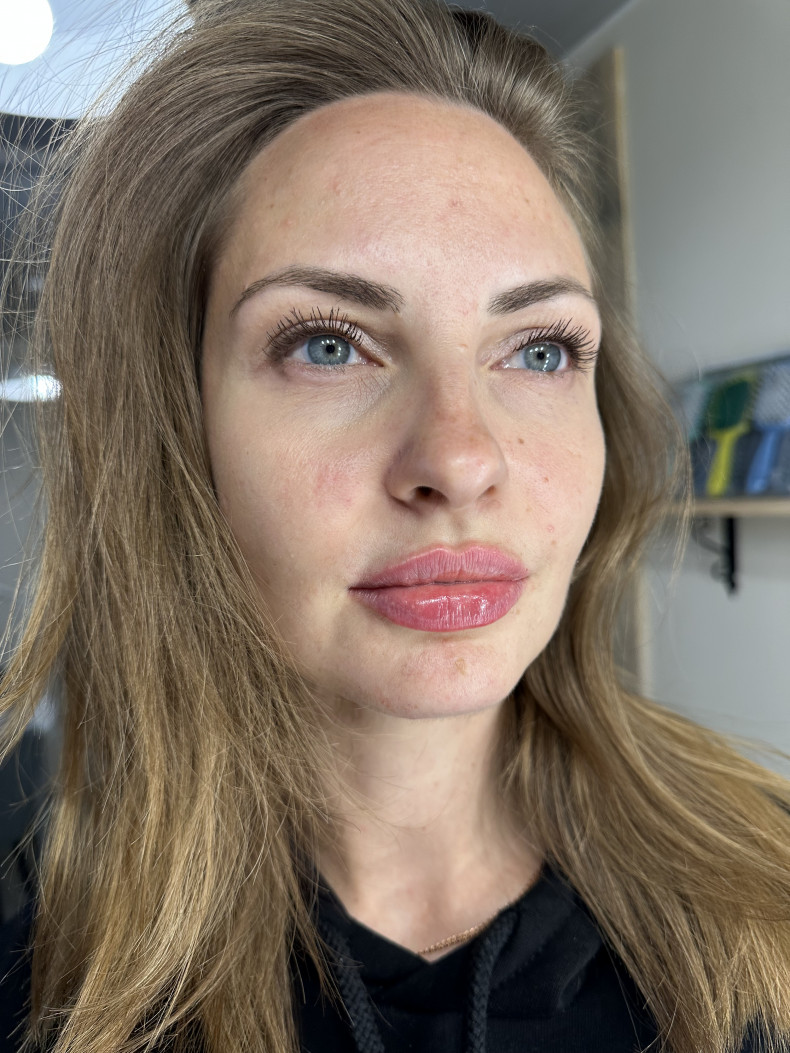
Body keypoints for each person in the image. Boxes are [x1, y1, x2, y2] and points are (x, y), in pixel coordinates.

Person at [1, 0, 790, 1050]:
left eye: (540, 350)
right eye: (328, 345)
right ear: (181, 434)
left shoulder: (769, 902)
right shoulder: (47, 997)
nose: (460, 460)